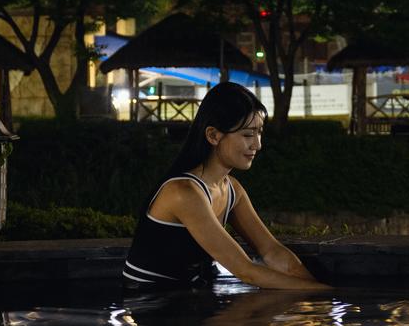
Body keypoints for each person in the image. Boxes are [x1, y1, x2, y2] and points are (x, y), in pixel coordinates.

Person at [123, 82, 324, 290]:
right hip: (150, 304)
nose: (257, 145)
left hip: (191, 298)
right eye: (247, 135)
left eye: (259, 133)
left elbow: (271, 251)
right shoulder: (183, 192)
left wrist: (318, 291)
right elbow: (246, 271)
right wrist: (328, 296)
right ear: (213, 135)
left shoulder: (231, 190)